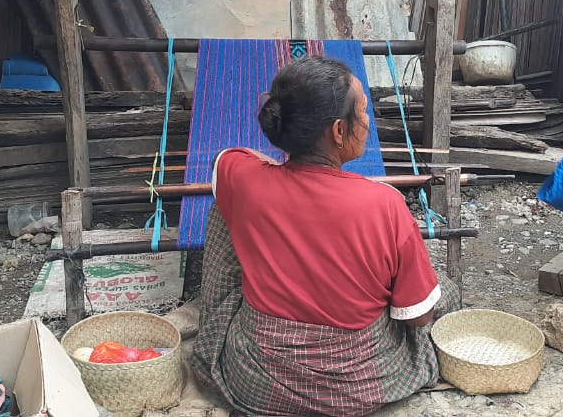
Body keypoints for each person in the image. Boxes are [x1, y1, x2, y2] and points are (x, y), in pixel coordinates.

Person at [191, 55, 458, 416]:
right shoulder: (385, 205)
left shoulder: (244, 180)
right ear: (337, 131)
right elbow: (418, 318)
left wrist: (273, 172)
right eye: (363, 112)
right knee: (441, 293)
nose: (367, 121)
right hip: (355, 387)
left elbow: (222, 161)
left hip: (256, 378)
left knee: (225, 202)